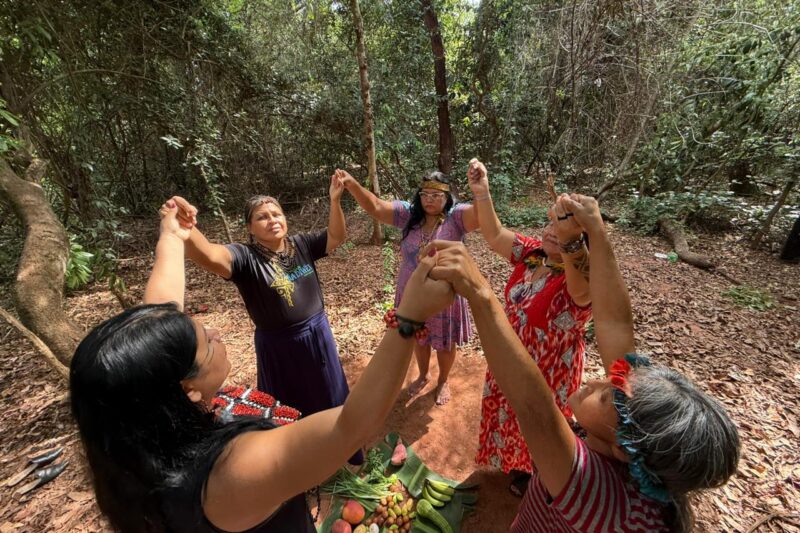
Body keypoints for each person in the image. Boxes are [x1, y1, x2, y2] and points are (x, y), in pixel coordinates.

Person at [69, 200, 454, 533]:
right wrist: (410, 317)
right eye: (206, 339)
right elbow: (350, 424)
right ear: (186, 387)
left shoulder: (152, 437)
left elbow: (160, 317)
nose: (217, 332)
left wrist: (171, 234)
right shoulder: (231, 471)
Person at [427, 193, 740, 532]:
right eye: (612, 380)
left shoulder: (592, 490)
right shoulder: (639, 457)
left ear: (622, 447)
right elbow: (614, 324)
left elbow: (535, 405)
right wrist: (594, 229)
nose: (597, 380)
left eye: (606, 396)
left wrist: (478, 291)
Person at [166, 175, 358, 460]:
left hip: (318, 334)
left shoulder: (301, 245)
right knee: (287, 405)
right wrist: (186, 227)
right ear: (250, 228)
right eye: (262, 217)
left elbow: (336, 236)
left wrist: (334, 200)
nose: (272, 219)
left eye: (276, 213)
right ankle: (298, 462)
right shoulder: (245, 258)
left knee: (330, 393)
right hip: (279, 346)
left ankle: (341, 452)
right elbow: (207, 254)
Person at [466, 159, 593, 494]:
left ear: (580, 237)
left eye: (561, 227)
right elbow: (493, 235)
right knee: (514, 416)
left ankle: (538, 477)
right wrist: (483, 191)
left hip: (547, 374)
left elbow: (583, 292)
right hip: (511, 359)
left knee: (540, 425)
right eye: (549, 222)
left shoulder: (578, 277)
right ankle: (520, 466)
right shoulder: (535, 255)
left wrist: (571, 241)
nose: (551, 230)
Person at [339, 169, 479, 405]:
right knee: (418, 337)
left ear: (447, 197)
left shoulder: (457, 217)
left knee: (445, 341)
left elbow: (481, 215)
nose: (429, 200)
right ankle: (423, 375)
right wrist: (352, 185)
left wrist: (481, 191)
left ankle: (443, 380)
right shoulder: (408, 215)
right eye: (425, 194)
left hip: (444, 294)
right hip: (411, 291)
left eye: (436, 195)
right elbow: (375, 206)